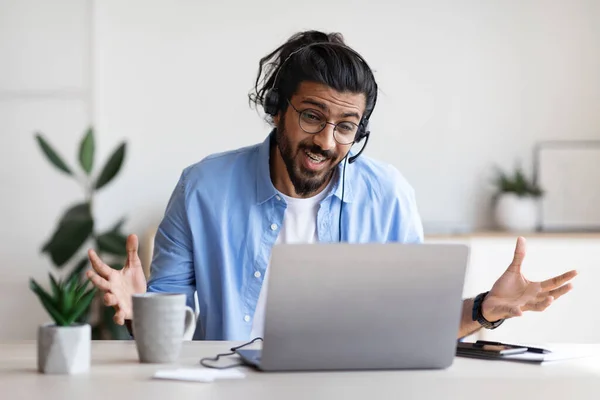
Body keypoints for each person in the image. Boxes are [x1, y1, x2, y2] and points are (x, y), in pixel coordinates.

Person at [86, 30, 577, 341]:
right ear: (278, 109)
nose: (326, 140)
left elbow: (414, 324)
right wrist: (137, 315)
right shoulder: (201, 189)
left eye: (346, 126)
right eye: (311, 116)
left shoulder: (387, 196)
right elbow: (163, 337)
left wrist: (487, 309)